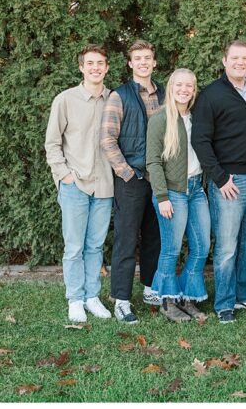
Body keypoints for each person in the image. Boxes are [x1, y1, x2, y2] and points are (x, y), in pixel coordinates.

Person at [191, 40, 246, 324]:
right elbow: (200, 140)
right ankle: (224, 303)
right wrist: (220, 178)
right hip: (229, 182)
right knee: (226, 246)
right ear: (224, 61)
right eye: (234, 58)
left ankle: (245, 295)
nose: (240, 62)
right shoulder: (211, 95)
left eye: (245, 58)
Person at [45, 44, 115, 322]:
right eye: (90, 63)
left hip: (105, 185)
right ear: (81, 67)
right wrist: (65, 175)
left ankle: (92, 296)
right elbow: (52, 143)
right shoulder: (65, 100)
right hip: (75, 183)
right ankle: (75, 299)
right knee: (74, 246)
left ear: (107, 67)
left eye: (100, 63)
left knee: (95, 245)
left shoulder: (114, 99)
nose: (95, 68)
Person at [100, 39, 165, 325]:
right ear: (130, 63)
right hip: (132, 178)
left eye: (147, 57)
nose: (143, 62)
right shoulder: (120, 96)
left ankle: (150, 288)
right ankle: (121, 299)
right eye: (137, 58)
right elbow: (107, 139)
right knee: (126, 240)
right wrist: (127, 172)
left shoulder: (164, 94)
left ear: (154, 62)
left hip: (159, 179)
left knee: (155, 237)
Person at [146, 69, 210, 322]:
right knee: (171, 249)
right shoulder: (160, 119)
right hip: (172, 192)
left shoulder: (197, 118)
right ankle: (167, 300)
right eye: (179, 85)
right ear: (171, 87)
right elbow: (152, 161)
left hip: (196, 190)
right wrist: (162, 196)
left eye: (189, 86)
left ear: (194, 90)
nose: (184, 90)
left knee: (202, 246)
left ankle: (186, 296)